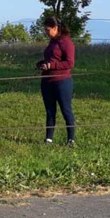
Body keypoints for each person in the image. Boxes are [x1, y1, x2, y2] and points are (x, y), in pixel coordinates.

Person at [36, 16, 76, 146]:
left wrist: (51, 66)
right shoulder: (52, 42)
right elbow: (52, 58)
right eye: (45, 30)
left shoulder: (66, 42)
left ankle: (71, 139)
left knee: (66, 110)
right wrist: (42, 63)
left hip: (62, 82)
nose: (46, 32)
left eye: (48, 30)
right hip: (47, 81)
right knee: (49, 110)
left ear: (55, 28)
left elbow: (69, 63)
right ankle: (49, 138)